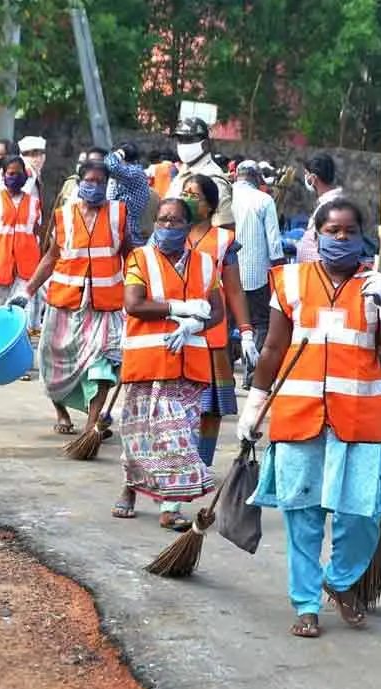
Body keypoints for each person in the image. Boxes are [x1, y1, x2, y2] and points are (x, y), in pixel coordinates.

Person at [241, 198, 381, 638]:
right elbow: (274, 348)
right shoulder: (290, 280)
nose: (341, 238)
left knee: (362, 516)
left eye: (350, 231)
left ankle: (342, 579)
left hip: (358, 419)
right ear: (316, 235)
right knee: (303, 515)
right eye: (332, 231)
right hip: (300, 415)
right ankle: (306, 603)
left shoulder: (380, 282)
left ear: (363, 235)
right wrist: (256, 401)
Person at [113, 197, 223, 530]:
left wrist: (197, 323)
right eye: (162, 220)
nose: (167, 227)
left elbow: (216, 309)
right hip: (146, 363)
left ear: (188, 227)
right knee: (140, 434)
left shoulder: (206, 264)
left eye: (175, 221)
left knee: (179, 435)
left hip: (189, 366)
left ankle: (170, 505)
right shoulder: (139, 258)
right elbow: (133, 304)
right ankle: (131, 486)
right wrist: (177, 309)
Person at [23, 159, 129, 437]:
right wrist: (28, 291)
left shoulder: (119, 214)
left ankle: (91, 427)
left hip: (104, 306)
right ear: (79, 182)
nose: (95, 187)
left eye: (101, 182)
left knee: (103, 364)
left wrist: (138, 293)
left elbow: (131, 255)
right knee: (52, 361)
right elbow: (51, 257)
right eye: (89, 181)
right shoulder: (63, 215)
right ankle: (61, 413)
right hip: (64, 304)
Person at [181, 174, 259, 470]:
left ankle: (201, 463)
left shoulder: (223, 241)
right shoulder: (171, 231)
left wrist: (247, 331)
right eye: (185, 192)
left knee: (210, 407)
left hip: (212, 333)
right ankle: (177, 460)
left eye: (195, 195)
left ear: (211, 205)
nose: (188, 199)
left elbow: (235, 289)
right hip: (176, 329)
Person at [231, 159, 285, 384]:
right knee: (259, 323)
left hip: (226, 272)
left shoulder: (226, 196)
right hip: (256, 275)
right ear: (256, 177)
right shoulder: (264, 200)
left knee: (226, 323)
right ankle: (252, 375)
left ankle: (222, 377)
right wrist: (281, 269)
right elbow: (274, 243)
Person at [0, 155, 41, 317]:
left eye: (18, 173)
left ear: (25, 176)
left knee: (20, 312)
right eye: (11, 173)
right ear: (4, 175)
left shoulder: (34, 202)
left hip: (26, 264)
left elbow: (37, 233)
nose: (14, 177)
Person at [71, 144, 150, 246]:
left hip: (130, 237)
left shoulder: (135, 173)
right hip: (112, 234)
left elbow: (110, 165)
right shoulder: (117, 179)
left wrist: (120, 152)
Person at [165, 117, 234, 230]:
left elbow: (224, 226)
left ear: (205, 144)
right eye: (180, 140)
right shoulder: (183, 172)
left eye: (189, 140)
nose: (182, 145)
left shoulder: (213, 179)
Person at [294, 153, 345, 264]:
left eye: (306, 174)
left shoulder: (330, 206)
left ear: (313, 179)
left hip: (320, 272)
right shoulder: (332, 202)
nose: (305, 178)